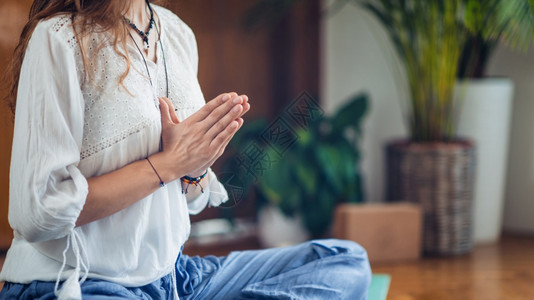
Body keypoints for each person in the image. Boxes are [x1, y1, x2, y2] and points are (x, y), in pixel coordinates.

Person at [0, 0, 372, 299]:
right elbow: (38, 211)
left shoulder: (176, 33)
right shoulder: (59, 38)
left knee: (344, 262)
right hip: (75, 282)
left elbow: (189, 196)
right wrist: (167, 164)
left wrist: (193, 166)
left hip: (175, 279)